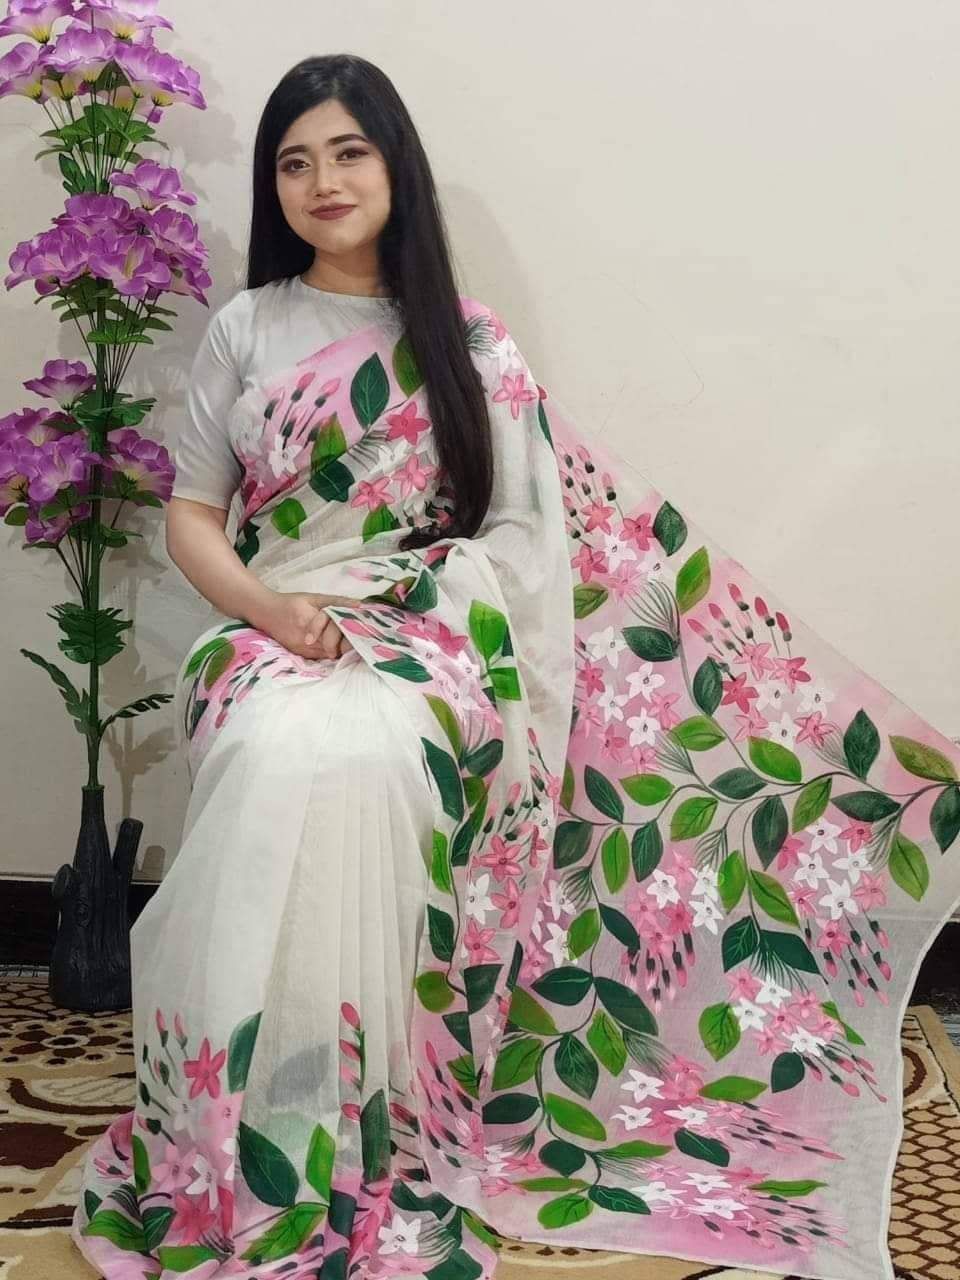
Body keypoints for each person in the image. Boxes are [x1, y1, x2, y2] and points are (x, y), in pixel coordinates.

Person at [70, 53, 960, 1280]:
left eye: (348, 152)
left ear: (396, 167)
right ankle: (250, 1121)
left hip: (426, 642)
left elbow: (522, 539)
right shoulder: (248, 328)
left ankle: (362, 1118)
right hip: (270, 628)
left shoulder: (471, 343)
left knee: (366, 750)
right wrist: (271, 610)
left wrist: (416, 614)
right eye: (294, 162)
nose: (323, 181)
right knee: (279, 744)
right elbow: (192, 514)